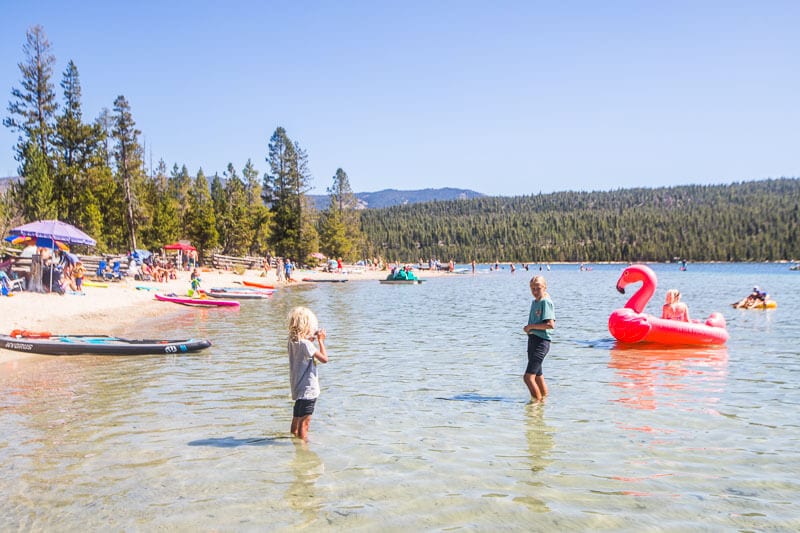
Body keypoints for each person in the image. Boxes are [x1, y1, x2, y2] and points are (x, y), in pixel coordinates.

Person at [287, 306, 328, 442]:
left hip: (298, 387)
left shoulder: (293, 341)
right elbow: (324, 359)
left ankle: (294, 441)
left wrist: (310, 341)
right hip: (309, 389)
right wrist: (321, 341)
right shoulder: (306, 344)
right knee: (305, 424)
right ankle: (303, 450)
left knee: (296, 420)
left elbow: (303, 352)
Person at [522, 275, 555, 402]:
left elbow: (550, 325)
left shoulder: (545, 302)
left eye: (538, 288)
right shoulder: (535, 302)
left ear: (544, 287)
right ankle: (544, 402)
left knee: (528, 377)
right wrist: (530, 330)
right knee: (538, 376)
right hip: (533, 341)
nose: (535, 292)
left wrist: (531, 326)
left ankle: (535, 406)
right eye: (532, 289)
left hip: (541, 342)